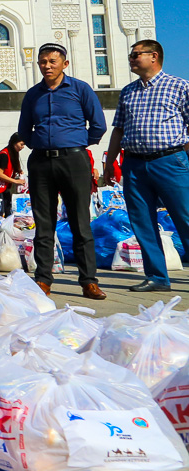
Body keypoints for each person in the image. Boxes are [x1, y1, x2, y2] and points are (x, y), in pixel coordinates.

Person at [18, 42, 109, 298]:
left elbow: (98, 125)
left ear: (64, 64)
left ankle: (89, 281)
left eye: (52, 62)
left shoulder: (80, 89)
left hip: (74, 161)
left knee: (81, 222)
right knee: (44, 223)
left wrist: (76, 142)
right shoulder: (33, 94)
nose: (47, 66)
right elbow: (24, 128)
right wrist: (35, 142)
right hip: (41, 163)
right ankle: (43, 280)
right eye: (42, 62)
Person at [103, 39, 189, 292]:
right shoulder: (128, 91)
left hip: (169, 161)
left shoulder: (179, 86)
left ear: (154, 56)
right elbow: (118, 129)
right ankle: (157, 277)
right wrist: (110, 163)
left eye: (136, 54)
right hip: (134, 164)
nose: (131, 59)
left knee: (184, 217)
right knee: (142, 221)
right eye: (131, 55)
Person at [0, 133, 26, 217]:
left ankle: (7, 224)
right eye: (21, 144)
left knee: (8, 209)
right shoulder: (4, 155)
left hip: (4, 186)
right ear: (14, 142)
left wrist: (19, 171)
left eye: (24, 145)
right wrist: (15, 181)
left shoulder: (13, 153)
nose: (22, 147)